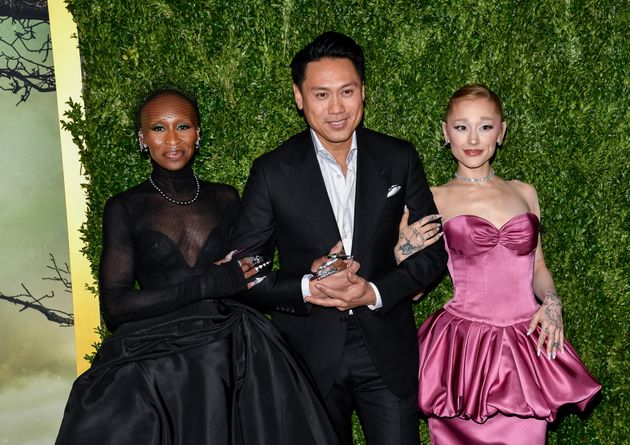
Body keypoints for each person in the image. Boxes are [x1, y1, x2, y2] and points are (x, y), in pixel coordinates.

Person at [55, 89, 341, 445]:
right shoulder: (125, 207)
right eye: (159, 128)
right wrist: (205, 285)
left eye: (183, 126)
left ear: (198, 133)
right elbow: (114, 306)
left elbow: (251, 272)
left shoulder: (226, 198)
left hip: (232, 346)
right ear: (142, 139)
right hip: (158, 357)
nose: (172, 140)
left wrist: (307, 275)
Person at [230, 32, 448, 444]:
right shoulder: (272, 171)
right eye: (321, 94)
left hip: (386, 349)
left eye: (347, 92)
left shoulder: (398, 158)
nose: (336, 108)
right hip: (307, 356)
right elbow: (244, 272)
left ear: (363, 92)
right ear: (299, 97)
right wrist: (306, 287)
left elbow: (434, 255)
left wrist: (375, 291)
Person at [395, 84, 601, 444]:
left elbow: (538, 267)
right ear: (445, 132)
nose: (473, 138)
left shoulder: (525, 192)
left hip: (524, 348)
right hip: (463, 354)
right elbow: (414, 292)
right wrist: (402, 252)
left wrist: (552, 302)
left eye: (485, 126)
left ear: (502, 131)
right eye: (461, 127)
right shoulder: (434, 198)